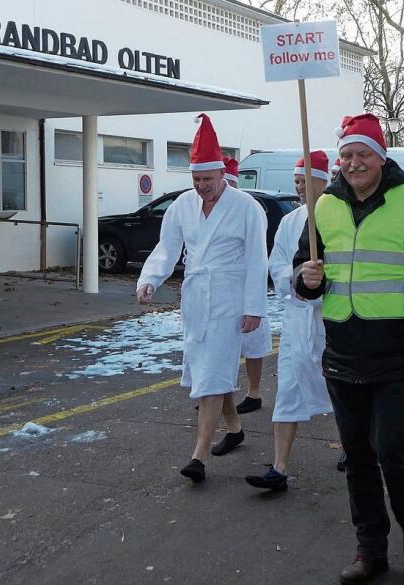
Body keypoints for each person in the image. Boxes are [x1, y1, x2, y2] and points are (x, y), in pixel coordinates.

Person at [295, 113, 404, 583]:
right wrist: (304, 281)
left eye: (362, 153)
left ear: (380, 157)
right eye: (346, 155)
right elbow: (303, 273)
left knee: (391, 447)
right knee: (357, 455)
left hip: (396, 350)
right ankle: (370, 549)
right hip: (342, 351)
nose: (353, 162)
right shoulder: (323, 205)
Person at [136, 114, 268, 483]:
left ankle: (198, 456)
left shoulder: (247, 208)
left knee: (212, 373)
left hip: (231, 298)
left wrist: (255, 307)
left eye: (207, 179)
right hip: (196, 298)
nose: (201, 186)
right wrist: (149, 279)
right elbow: (168, 248)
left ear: (222, 175)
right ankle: (235, 428)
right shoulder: (181, 207)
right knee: (209, 367)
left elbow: (258, 260)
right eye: (196, 179)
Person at [245, 151, 334, 492]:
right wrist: (296, 282)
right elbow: (278, 261)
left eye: (303, 180)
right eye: (296, 180)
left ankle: (355, 451)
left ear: (322, 181)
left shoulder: (340, 217)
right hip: (298, 322)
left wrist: (322, 284)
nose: (297, 186)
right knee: (288, 390)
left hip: (332, 324)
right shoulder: (290, 221)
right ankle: (279, 467)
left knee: (344, 394)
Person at [223, 156, 272, 413]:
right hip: (222, 291)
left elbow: (257, 253)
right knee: (221, 344)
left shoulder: (249, 208)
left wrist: (254, 302)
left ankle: (254, 392)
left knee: (252, 344)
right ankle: (219, 393)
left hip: (247, 283)